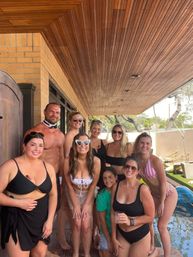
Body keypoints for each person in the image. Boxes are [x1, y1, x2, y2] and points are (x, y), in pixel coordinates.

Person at [0, 132, 57, 257]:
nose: (37, 149)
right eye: (33, 145)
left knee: (39, 254)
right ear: (24, 146)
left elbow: (53, 195)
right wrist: (19, 203)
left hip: (41, 219)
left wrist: (50, 220)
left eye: (41, 145)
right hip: (17, 219)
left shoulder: (49, 168)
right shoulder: (10, 166)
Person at [25, 102, 70, 250]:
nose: (54, 115)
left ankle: (43, 247)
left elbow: (62, 158)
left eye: (57, 113)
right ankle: (32, 247)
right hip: (38, 179)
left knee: (52, 211)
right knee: (35, 212)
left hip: (55, 178)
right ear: (45, 112)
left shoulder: (60, 134)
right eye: (51, 112)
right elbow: (25, 156)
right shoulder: (35, 131)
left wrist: (63, 180)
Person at [133, 132, 178, 257]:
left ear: (151, 145)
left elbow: (163, 183)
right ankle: (151, 246)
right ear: (138, 144)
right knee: (147, 219)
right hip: (154, 194)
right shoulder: (137, 159)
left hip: (168, 194)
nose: (144, 146)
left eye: (147, 143)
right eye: (142, 143)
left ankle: (167, 255)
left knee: (161, 226)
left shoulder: (155, 161)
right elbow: (134, 179)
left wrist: (162, 202)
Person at [64, 132, 100, 257]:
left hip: (88, 194)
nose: (83, 145)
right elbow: (68, 185)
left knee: (85, 224)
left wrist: (85, 205)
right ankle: (75, 253)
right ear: (74, 145)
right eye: (79, 142)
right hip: (73, 193)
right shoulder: (68, 161)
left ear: (89, 145)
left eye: (86, 143)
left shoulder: (96, 161)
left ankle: (86, 254)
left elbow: (93, 185)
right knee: (77, 222)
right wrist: (76, 205)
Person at [111, 156, 155, 257]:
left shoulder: (143, 189)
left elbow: (150, 217)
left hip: (140, 235)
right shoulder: (116, 187)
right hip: (122, 234)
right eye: (127, 166)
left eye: (133, 168)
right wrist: (113, 237)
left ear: (138, 171)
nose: (129, 170)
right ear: (123, 168)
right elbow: (113, 212)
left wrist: (130, 221)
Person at [96, 166, 117, 257]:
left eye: (110, 177)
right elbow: (102, 221)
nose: (107, 180)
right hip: (106, 230)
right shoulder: (101, 196)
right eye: (105, 178)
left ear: (116, 177)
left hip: (120, 231)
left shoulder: (122, 190)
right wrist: (109, 241)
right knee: (106, 252)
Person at [90, 119, 107, 189]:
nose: (96, 131)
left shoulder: (104, 142)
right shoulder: (85, 141)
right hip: (90, 173)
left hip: (103, 173)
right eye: (94, 128)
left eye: (99, 129)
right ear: (90, 128)